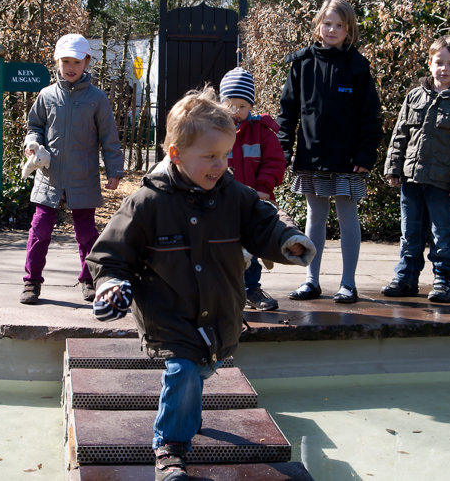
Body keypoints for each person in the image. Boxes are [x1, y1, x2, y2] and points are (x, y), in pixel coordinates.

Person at [86, 87, 315, 481]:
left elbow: (264, 222)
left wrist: (286, 238)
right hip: (169, 312)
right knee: (183, 370)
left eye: (225, 155)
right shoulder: (146, 203)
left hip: (219, 308)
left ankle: (186, 410)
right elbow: (110, 254)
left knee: (201, 369)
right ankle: (170, 448)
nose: (220, 165)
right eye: (209, 156)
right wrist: (110, 283)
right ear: (175, 154)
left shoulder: (235, 196)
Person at [277, 0, 383, 304]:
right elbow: (287, 113)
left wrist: (365, 154)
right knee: (314, 215)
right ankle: (311, 281)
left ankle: (348, 284)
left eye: (340, 25)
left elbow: (371, 116)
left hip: (348, 160)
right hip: (311, 157)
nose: (332, 29)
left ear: (349, 30)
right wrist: (283, 151)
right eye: (327, 23)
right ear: (318, 26)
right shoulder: (301, 63)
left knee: (348, 216)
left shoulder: (358, 66)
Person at [20, 34, 124, 305]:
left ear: (87, 62)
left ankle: (88, 280)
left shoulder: (97, 99)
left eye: (77, 62)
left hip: (83, 177)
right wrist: (32, 144)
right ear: (57, 62)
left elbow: (109, 138)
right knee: (40, 229)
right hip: (49, 177)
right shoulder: (46, 95)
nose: (70, 67)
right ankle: (31, 282)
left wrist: (114, 171)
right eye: (65, 61)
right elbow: (35, 127)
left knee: (86, 233)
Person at [381, 36, 450, 303]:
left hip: (442, 183)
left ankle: (443, 280)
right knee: (410, 232)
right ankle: (406, 278)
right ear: (429, 63)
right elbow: (400, 134)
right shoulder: (415, 96)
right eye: (439, 62)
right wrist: (393, 167)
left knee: (442, 232)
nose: (444, 68)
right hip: (411, 179)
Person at [219, 66, 286, 311]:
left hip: (252, 201)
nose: (235, 111)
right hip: (221, 201)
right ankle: (223, 291)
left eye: (242, 106)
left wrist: (263, 187)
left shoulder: (262, 133)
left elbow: (274, 162)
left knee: (250, 247)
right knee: (222, 246)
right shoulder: (214, 130)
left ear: (251, 106)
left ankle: (251, 290)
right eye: (229, 105)